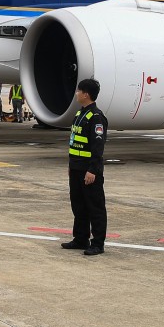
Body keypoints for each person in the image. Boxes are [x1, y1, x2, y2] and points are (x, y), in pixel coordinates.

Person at [61, 78, 109, 256]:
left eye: (78, 91)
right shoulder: (79, 115)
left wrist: (93, 170)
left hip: (89, 170)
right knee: (78, 205)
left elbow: (98, 148)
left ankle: (97, 243)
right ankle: (80, 238)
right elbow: (74, 143)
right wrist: (71, 165)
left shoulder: (96, 118)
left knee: (94, 207)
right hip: (76, 168)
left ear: (86, 94)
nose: (76, 94)